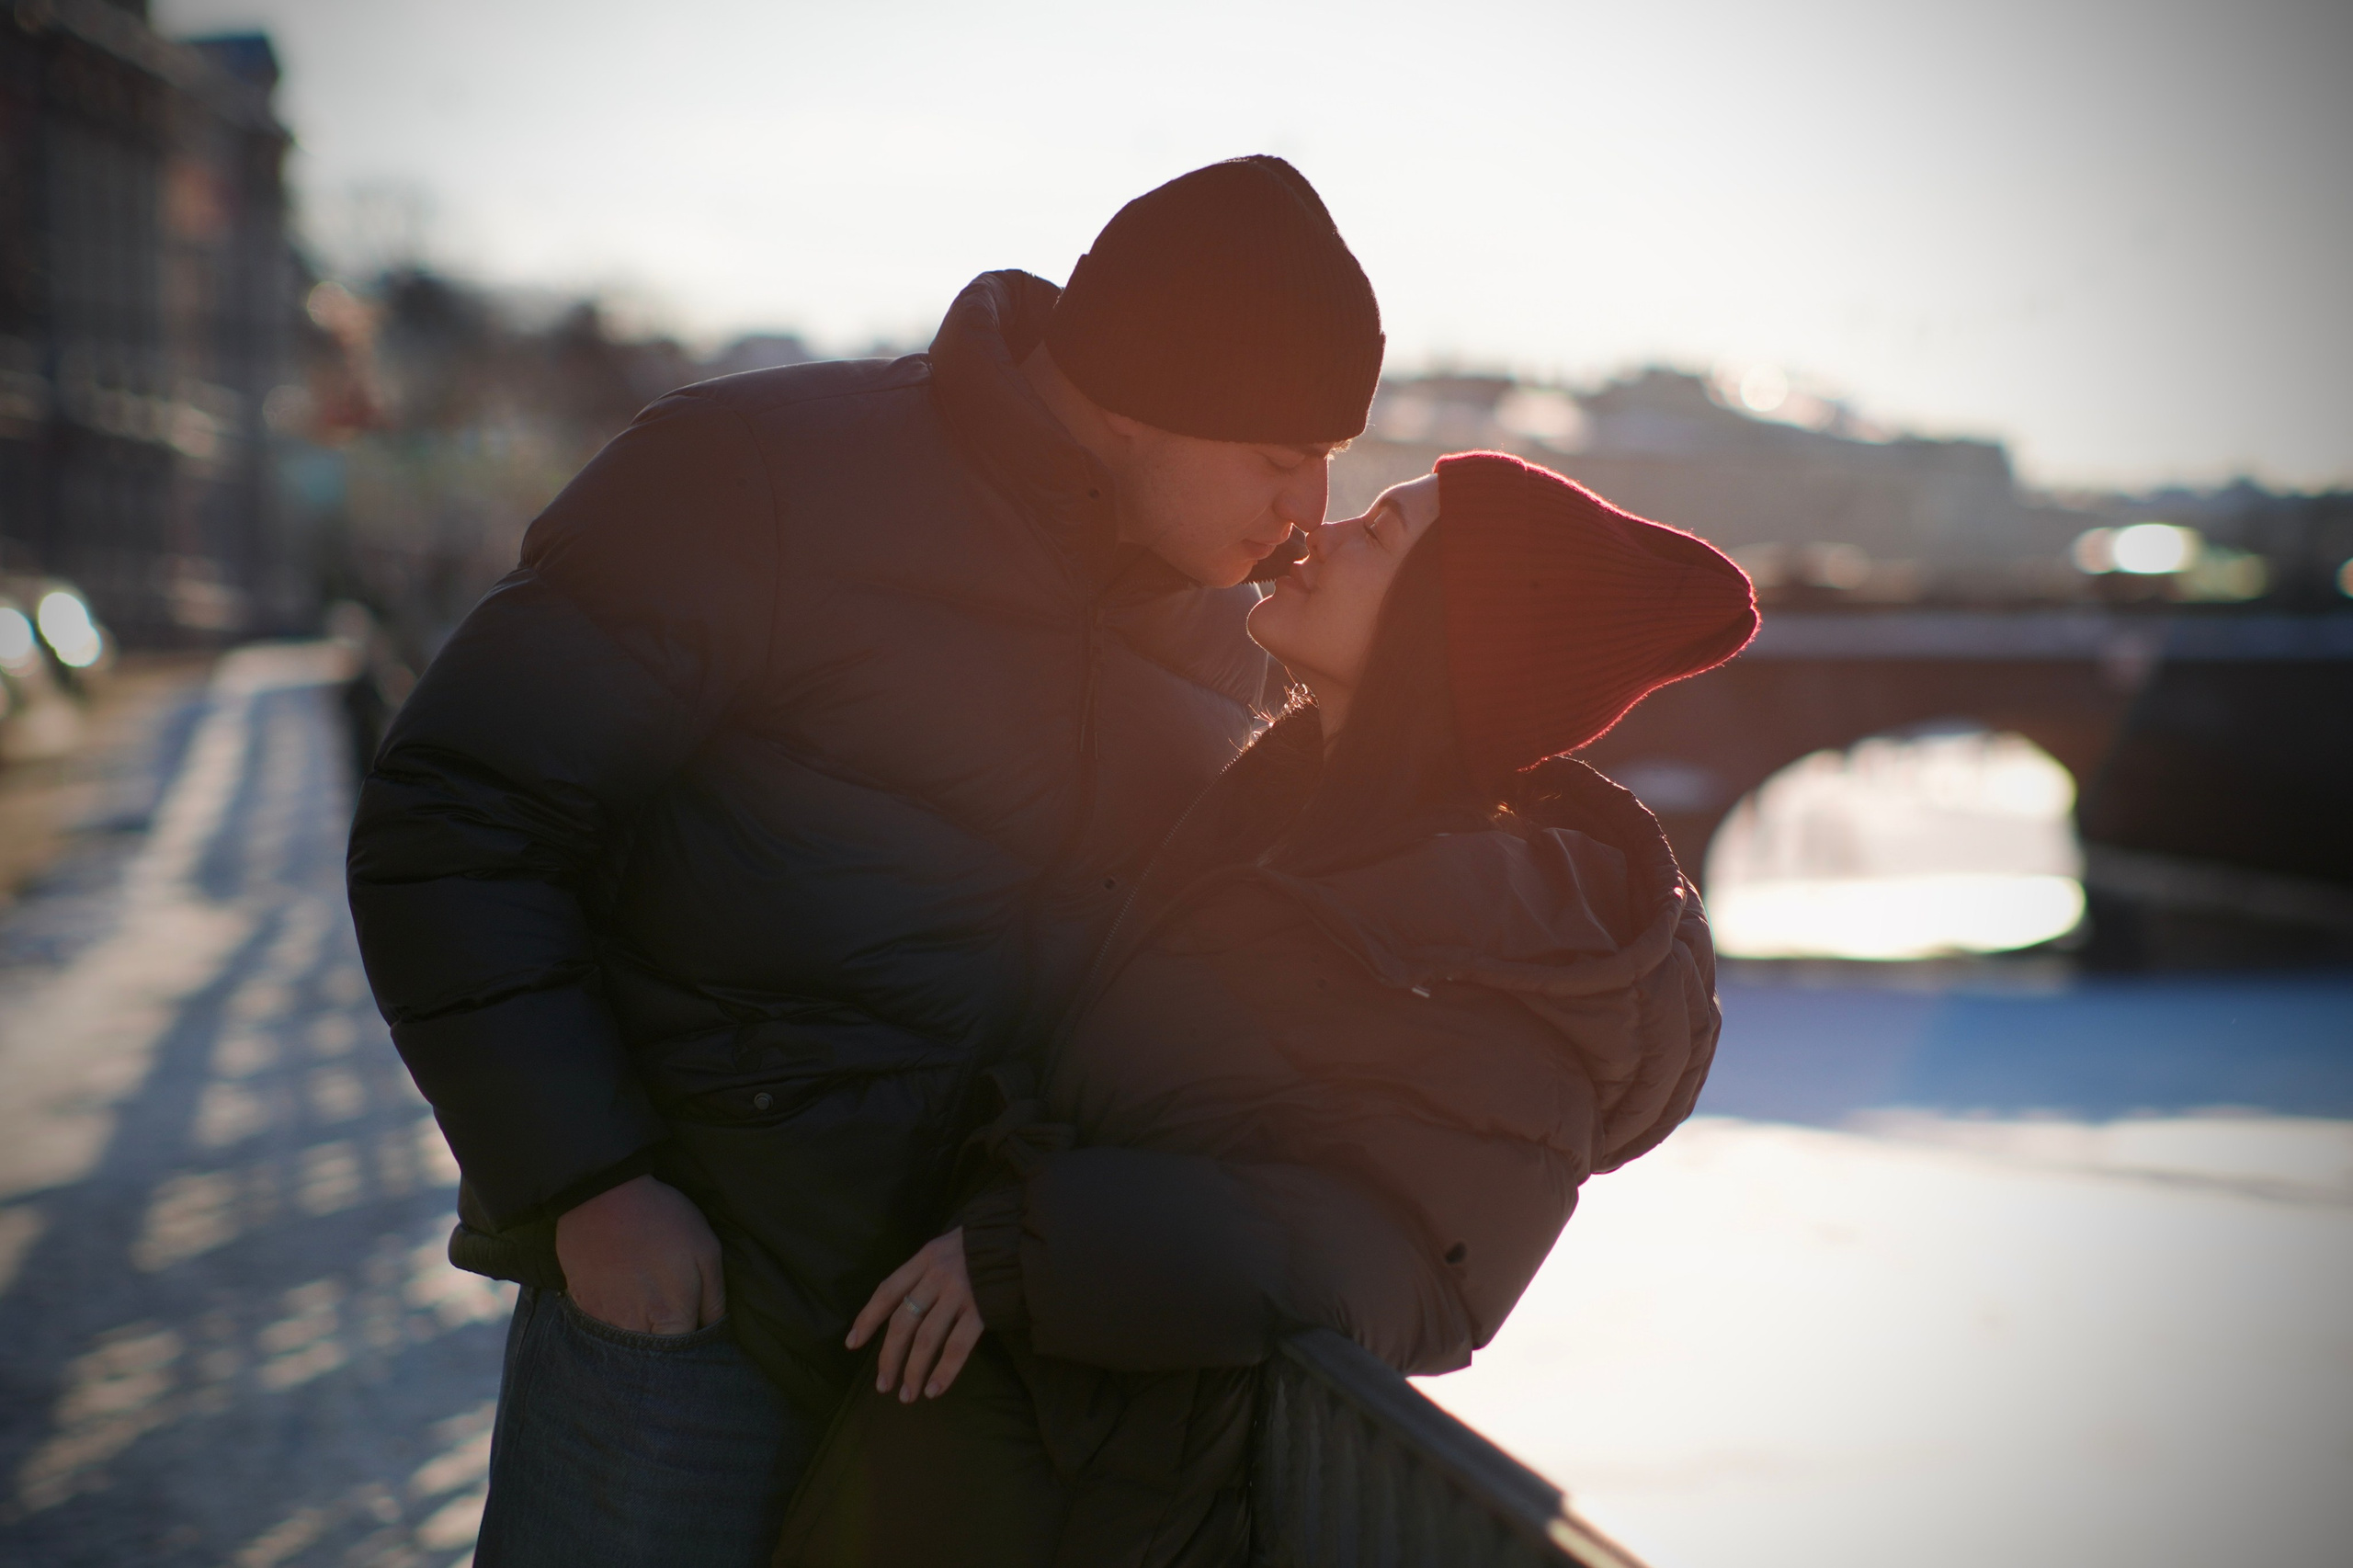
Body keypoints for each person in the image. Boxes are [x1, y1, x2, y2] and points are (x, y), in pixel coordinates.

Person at [344, 155, 1385, 1566]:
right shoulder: (761, 475)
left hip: (979, 1354)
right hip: (696, 1303)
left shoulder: (1212, 621)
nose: (1310, 508)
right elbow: (456, 820)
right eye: (1282, 455)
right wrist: (592, 1186)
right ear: (1150, 396)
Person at [772, 451, 1759, 1567]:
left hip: (1117, 1497)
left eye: (1376, 536)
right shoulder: (1276, 823)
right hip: (1005, 1442)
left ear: (1448, 637)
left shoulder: (1497, 942)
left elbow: (1414, 1267)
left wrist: (1028, 1249)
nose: (1315, 535)